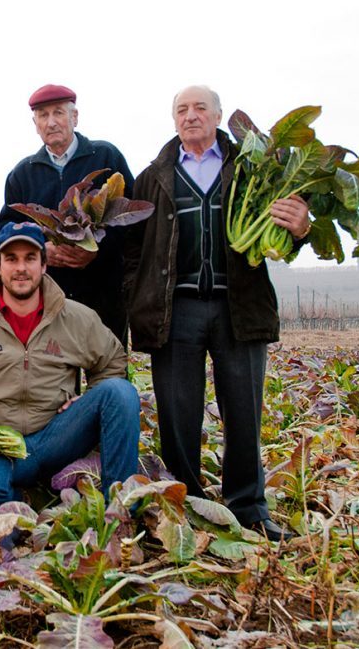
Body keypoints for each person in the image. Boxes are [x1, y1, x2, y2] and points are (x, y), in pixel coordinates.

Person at [124, 85, 309, 542]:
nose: (190, 116)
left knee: (244, 411)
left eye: (200, 108)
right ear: (173, 120)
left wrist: (302, 229)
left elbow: (286, 230)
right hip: (176, 308)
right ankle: (186, 508)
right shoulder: (153, 177)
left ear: (219, 116)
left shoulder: (250, 170)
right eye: (181, 110)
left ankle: (248, 507)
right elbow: (132, 251)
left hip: (237, 307)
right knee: (177, 414)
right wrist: (137, 297)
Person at [0, 222, 141, 517]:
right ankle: (28, 502)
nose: (20, 268)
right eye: (11, 259)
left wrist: (91, 395)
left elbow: (112, 361)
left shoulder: (77, 318)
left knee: (120, 393)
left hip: (59, 437)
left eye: (29, 258)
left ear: (44, 265)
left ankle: (118, 509)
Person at [0, 84, 135, 345]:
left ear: (75, 117)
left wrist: (95, 250)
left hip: (105, 290)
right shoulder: (22, 174)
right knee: (55, 376)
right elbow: (7, 230)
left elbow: (131, 220)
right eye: (43, 115)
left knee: (109, 371)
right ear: (35, 123)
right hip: (51, 295)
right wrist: (40, 250)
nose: (51, 122)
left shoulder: (106, 157)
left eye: (59, 113)